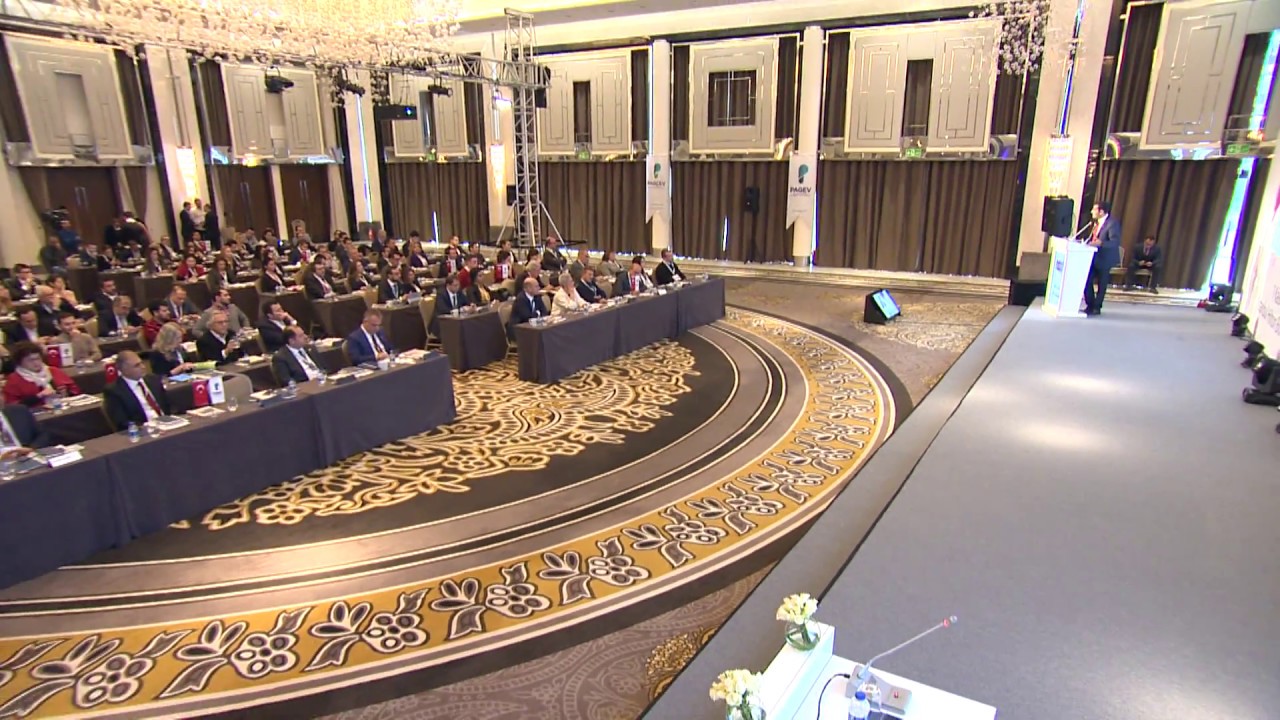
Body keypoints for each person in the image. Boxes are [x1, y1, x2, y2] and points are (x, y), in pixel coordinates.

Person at [102, 350, 172, 429]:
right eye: (137, 365)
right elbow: (122, 422)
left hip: (168, 424)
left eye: (142, 363)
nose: (143, 367)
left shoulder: (153, 380)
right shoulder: (114, 391)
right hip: (144, 429)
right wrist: (146, 427)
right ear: (124, 370)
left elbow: (168, 406)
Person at [3, 342, 79, 407]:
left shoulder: (54, 371)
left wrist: (66, 392)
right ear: (20, 362)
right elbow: (13, 407)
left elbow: (75, 391)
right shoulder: (14, 380)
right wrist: (38, 397)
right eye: (30, 360)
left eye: (38, 358)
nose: (36, 363)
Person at [1083, 201, 1122, 316]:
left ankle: (1097, 307)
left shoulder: (1112, 223)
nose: (1091, 212)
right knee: (1087, 280)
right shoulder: (1095, 223)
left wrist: (1101, 243)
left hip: (1105, 258)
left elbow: (1114, 242)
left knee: (1102, 284)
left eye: (1094, 209)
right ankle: (1090, 304)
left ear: (1101, 211)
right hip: (1093, 257)